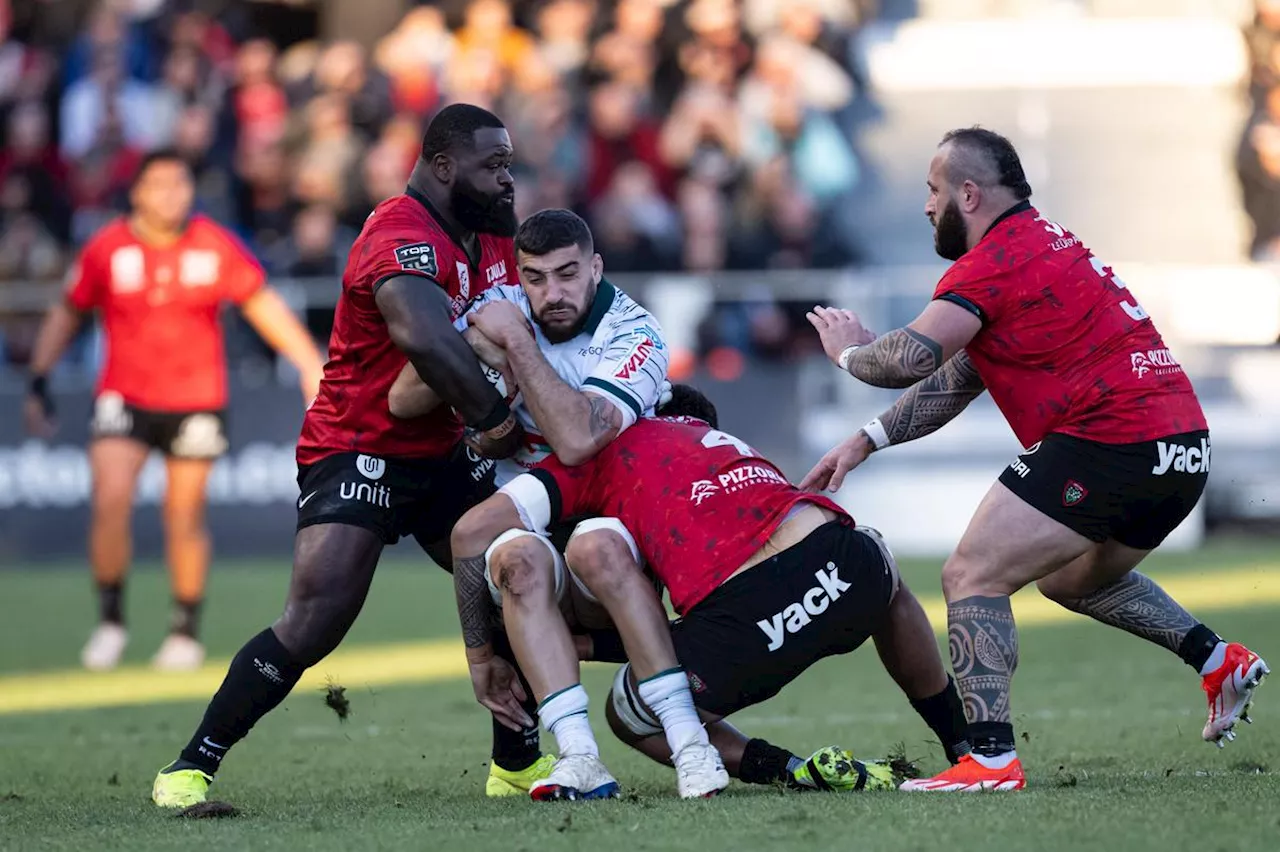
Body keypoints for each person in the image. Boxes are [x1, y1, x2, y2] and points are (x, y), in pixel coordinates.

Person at [802, 126, 1269, 792]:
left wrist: (847, 351)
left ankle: (990, 759)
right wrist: (867, 439)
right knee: (1068, 580)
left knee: (971, 573)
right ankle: (1215, 658)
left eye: (933, 191)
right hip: (1180, 446)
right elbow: (959, 378)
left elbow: (910, 357)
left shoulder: (990, 263)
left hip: (1111, 438)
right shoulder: (1047, 245)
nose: (926, 207)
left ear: (969, 193)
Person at [151, 104, 538, 808]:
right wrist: (497, 421)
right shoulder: (397, 231)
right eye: (495, 165)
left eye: (509, 164)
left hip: (446, 449)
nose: (508, 180)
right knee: (316, 619)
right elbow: (424, 337)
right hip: (360, 446)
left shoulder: (490, 234)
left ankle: (516, 763)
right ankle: (189, 767)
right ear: (444, 166)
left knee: (516, 571)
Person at [450, 385, 973, 798]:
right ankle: (965, 745)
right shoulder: (718, 444)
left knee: (629, 714)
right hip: (847, 564)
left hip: (753, 618)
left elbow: (474, 531)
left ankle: (788, 770)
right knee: (883, 571)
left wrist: (486, 654)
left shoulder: (600, 450)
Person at [391, 209, 730, 799]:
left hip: (619, 527)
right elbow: (403, 397)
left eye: (568, 274)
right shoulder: (499, 304)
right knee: (515, 561)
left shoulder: (635, 334)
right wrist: (468, 346)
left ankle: (693, 749)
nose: (551, 293)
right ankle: (579, 759)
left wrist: (513, 345)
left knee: (596, 547)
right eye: (536, 278)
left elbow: (577, 441)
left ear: (595, 267)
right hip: (536, 523)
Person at [23, 149, 325, 673]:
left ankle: (184, 630)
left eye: (181, 185)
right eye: (160, 185)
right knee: (111, 498)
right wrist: (39, 378)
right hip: (123, 395)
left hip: (196, 399)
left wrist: (306, 361)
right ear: (137, 192)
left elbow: (262, 303)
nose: (173, 195)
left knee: (184, 515)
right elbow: (67, 313)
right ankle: (111, 622)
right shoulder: (108, 248)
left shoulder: (212, 244)